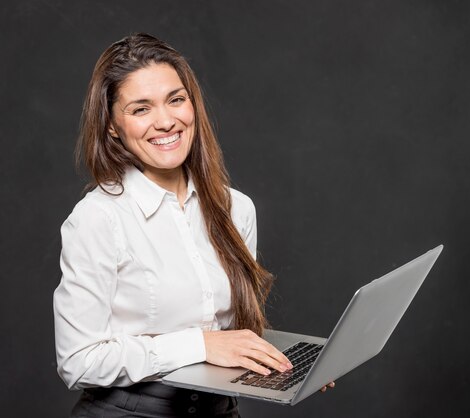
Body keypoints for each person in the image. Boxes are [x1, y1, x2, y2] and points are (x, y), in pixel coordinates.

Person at [53, 33, 333, 418]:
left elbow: (230, 338)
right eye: (141, 109)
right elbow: (78, 361)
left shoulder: (236, 208)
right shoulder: (98, 219)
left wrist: (291, 365)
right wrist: (199, 345)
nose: (166, 121)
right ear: (113, 126)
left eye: (176, 99)